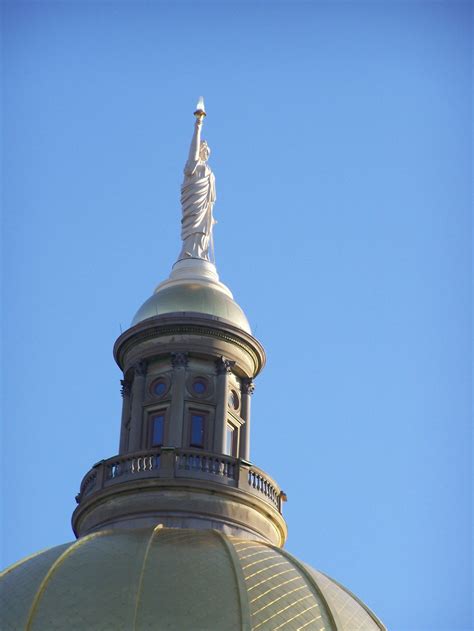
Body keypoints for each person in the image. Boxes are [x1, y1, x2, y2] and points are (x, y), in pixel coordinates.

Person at [178, 115, 216, 261]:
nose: (205, 151)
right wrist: (198, 126)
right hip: (194, 203)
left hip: (205, 210)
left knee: (202, 233)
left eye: (207, 150)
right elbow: (193, 152)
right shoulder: (193, 167)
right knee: (193, 227)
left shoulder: (209, 171)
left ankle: (200, 253)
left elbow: (211, 199)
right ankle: (189, 253)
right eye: (203, 149)